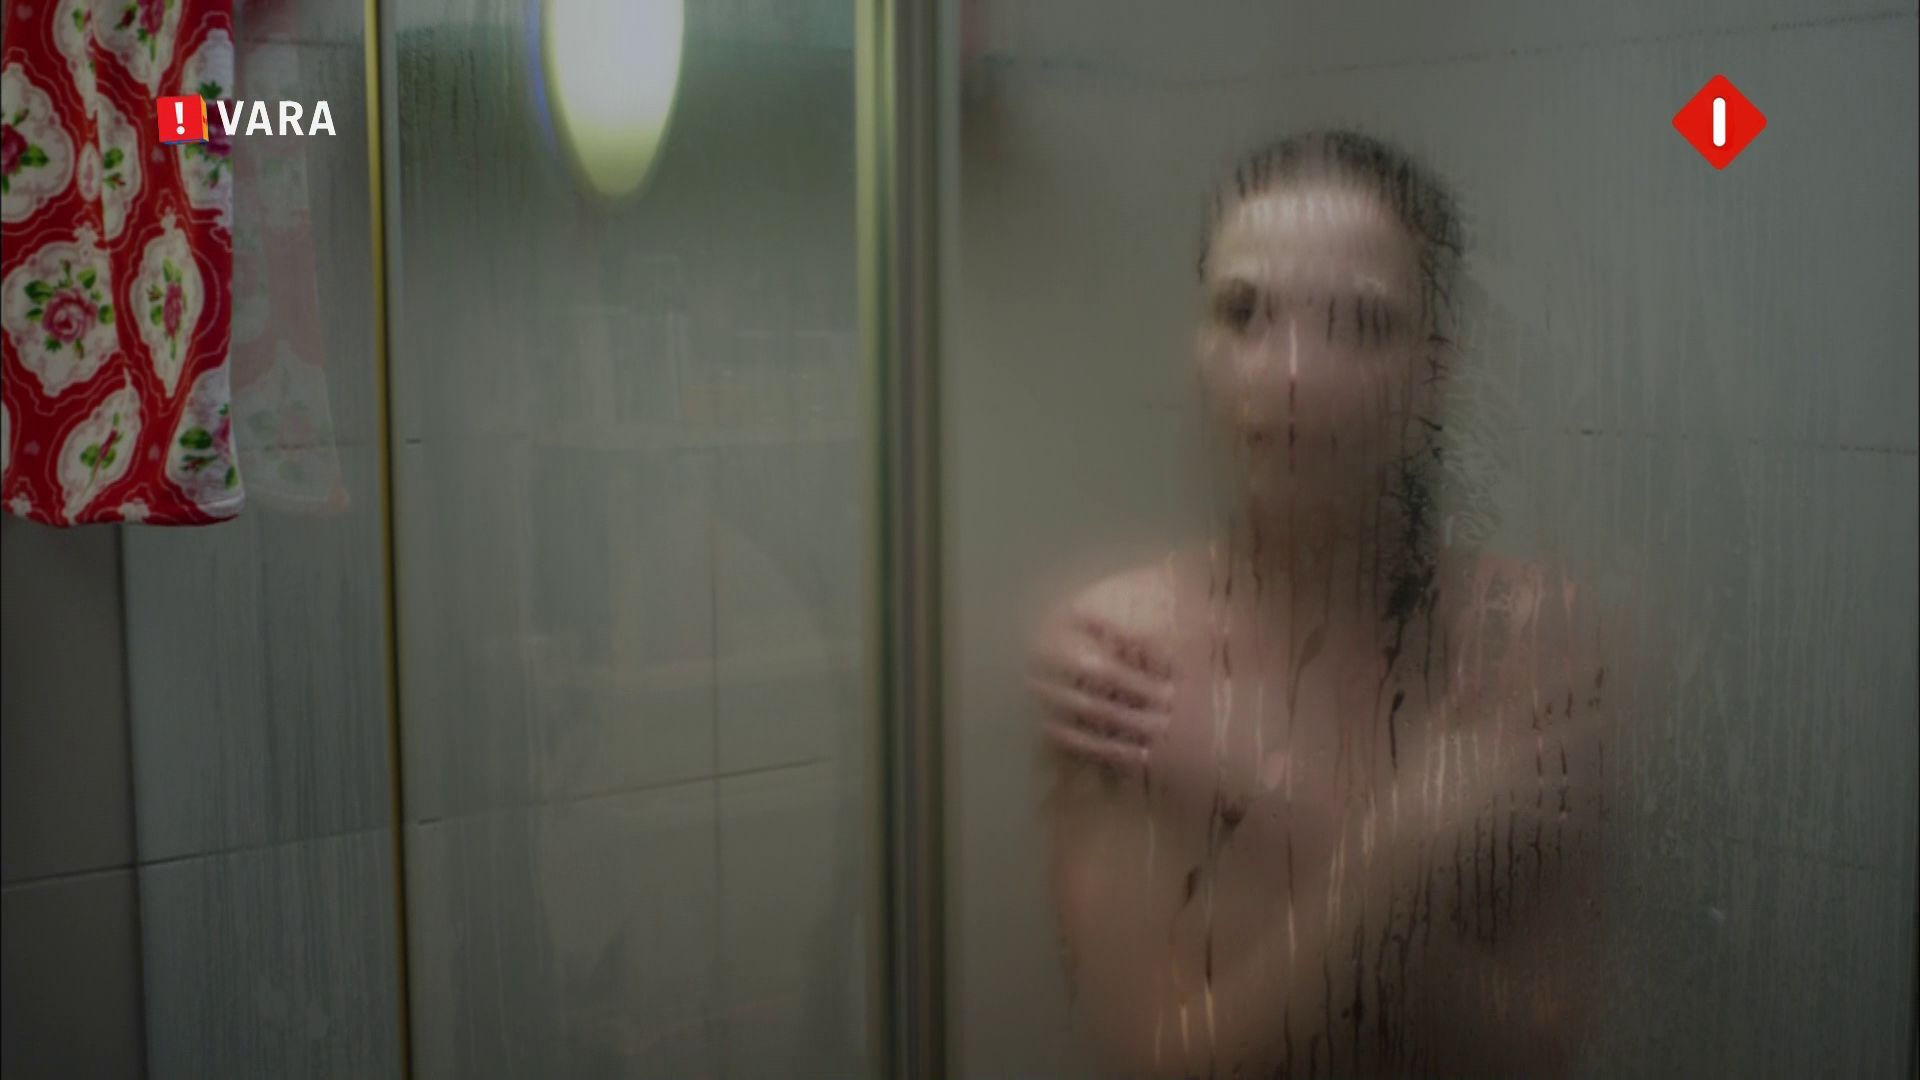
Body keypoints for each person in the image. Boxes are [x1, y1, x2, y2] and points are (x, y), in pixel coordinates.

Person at [1029, 130, 1610, 1079]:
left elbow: (1537, 1050)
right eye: (1243, 312)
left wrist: (1250, 794)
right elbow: (1159, 1061)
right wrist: (1412, 842)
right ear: (1198, 352)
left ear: (1434, 373)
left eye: (1361, 323)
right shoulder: (1120, 654)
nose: (1293, 374)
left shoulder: (1530, 633)